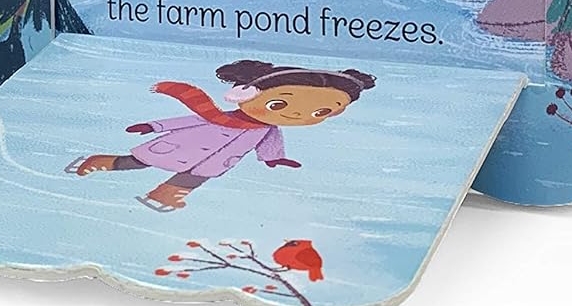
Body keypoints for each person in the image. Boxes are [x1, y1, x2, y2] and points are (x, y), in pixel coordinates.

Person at [68, 58, 374, 211]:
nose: (298, 115)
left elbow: (270, 144)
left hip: (216, 161)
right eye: (279, 104)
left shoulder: (267, 129)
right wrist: (153, 126)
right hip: (179, 145)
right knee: (138, 162)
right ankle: (100, 161)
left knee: (194, 178)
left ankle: (165, 195)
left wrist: (274, 159)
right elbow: (189, 119)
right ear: (246, 94)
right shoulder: (219, 117)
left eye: (322, 112)